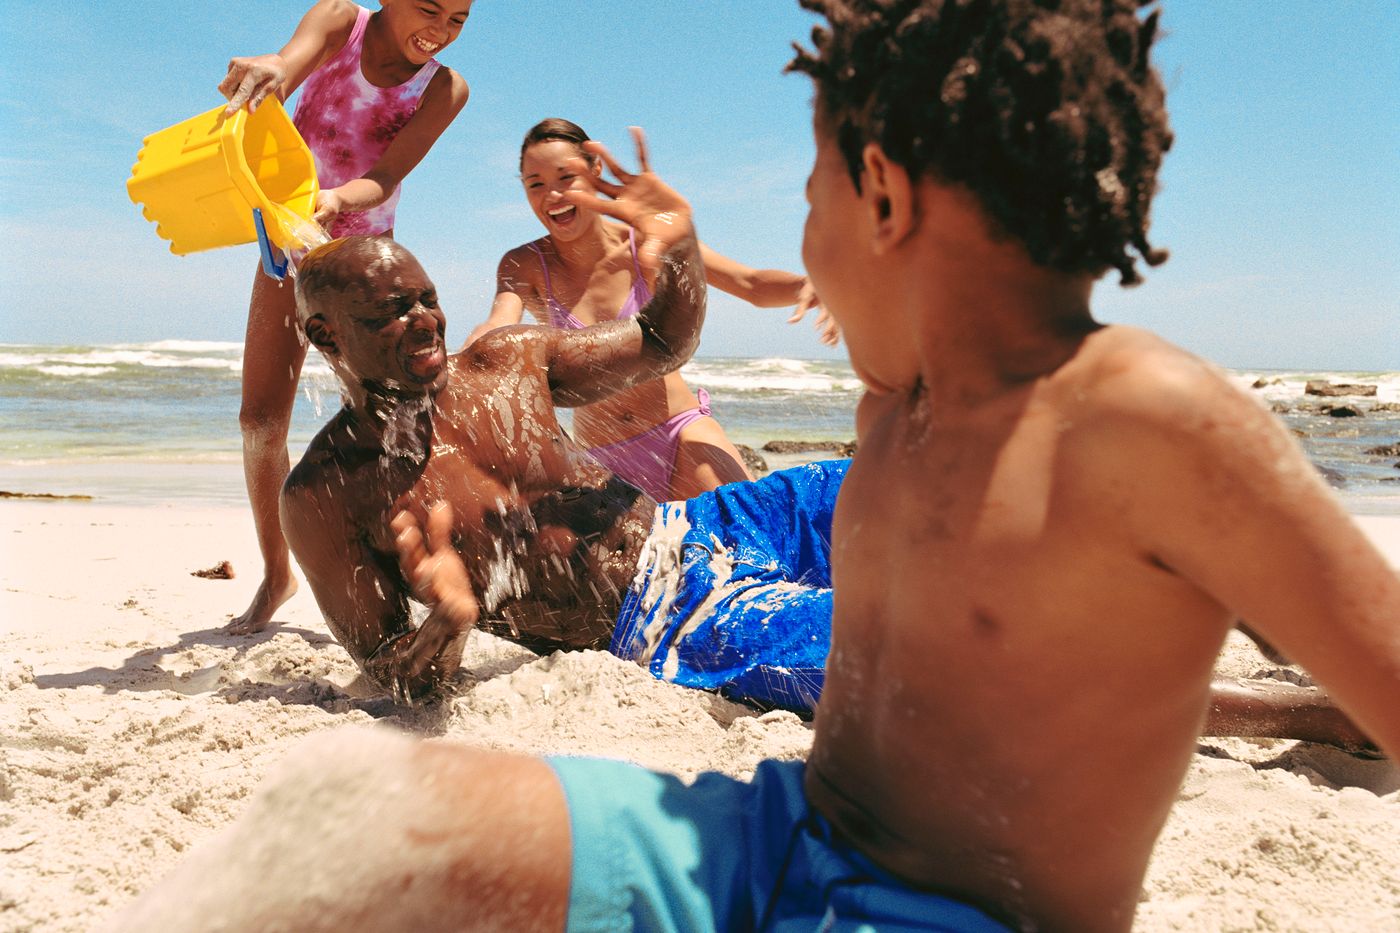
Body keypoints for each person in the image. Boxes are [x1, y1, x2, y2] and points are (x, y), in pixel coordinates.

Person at [109, 4, 1400, 928]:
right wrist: (445, 620)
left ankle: (1297, 699)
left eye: (808, 204)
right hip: (782, 832)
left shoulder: (1150, 419)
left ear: (883, 205)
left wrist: (676, 256)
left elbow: (676, 329)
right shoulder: (903, 409)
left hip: (941, 907)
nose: (804, 255)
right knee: (336, 828)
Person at [276, 132, 840, 714]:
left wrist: (678, 249)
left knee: (885, 482)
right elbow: (395, 673)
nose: (426, 322)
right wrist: (448, 624)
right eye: (393, 311)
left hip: (706, 523)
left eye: (427, 299)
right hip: (667, 615)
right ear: (325, 334)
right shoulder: (326, 493)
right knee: (879, 640)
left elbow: (660, 340)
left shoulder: (507, 362)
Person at [220, 0, 473, 635]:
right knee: (259, 420)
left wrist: (335, 198)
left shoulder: (444, 87)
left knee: (396, 428)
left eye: (458, 21)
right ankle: (277, 574)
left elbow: (386, 176)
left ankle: (416, 568)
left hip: (366, 272)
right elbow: (287, 64)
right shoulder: (338, 20)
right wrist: (269, 72)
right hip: (285, 245)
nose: (439, 32)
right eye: (430, 10)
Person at [464, 118, 839, 503]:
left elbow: (749, 283)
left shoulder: (646, 243)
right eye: (536, 184)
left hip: (681, 434)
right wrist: (460, 363)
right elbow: (497, 326)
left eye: (566, 177)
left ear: (596, 171)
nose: (553, 195)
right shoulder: (525, 264)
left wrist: (813, 285)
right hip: (601, 462)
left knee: (748, 536)